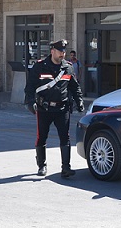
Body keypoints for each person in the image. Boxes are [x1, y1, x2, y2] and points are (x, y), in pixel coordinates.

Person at [24, 39, 85, 178]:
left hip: (62, 108)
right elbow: (30, 87)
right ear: (52, 51)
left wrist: (79, 101)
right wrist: (30, 102)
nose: (62, 54)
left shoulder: (67, 67)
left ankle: (66, 168)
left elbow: (75, 87)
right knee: (42, 138)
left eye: (64, 51)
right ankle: (42, 165)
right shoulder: (40, 67)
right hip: (44, 109)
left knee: (65, 138)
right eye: (60, 51)